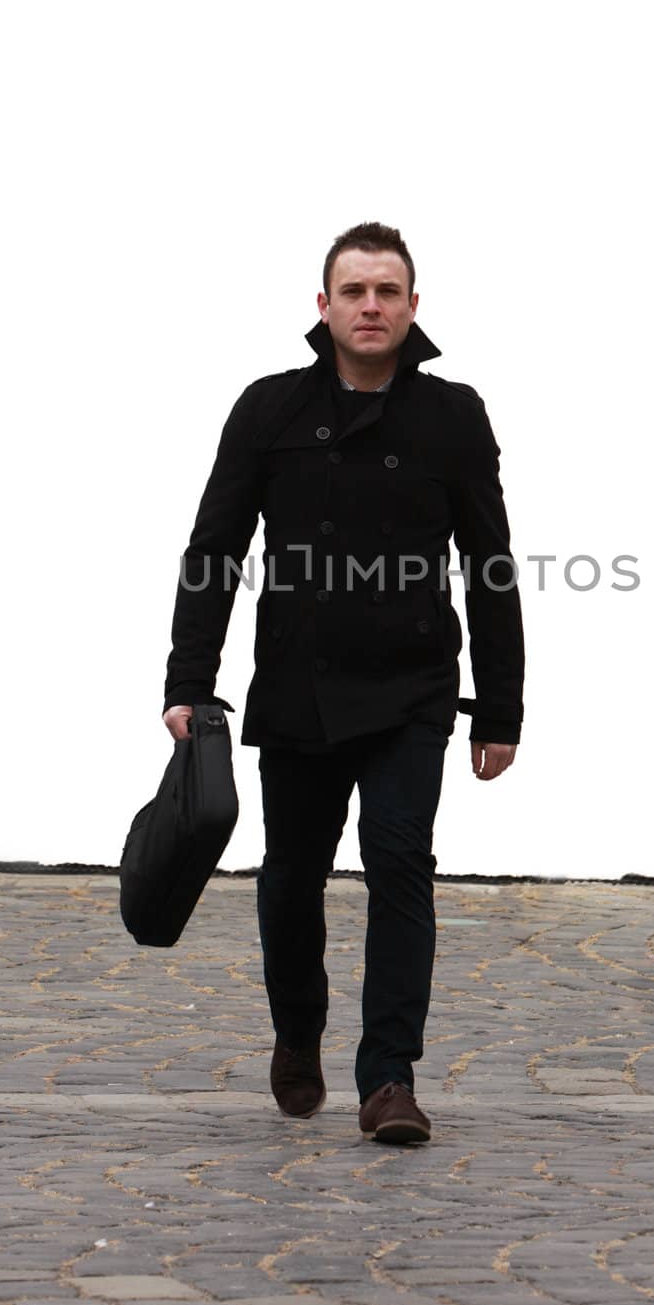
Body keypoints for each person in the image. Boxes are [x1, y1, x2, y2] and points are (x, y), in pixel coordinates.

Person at [162, 221, 524, 1145]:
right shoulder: (268, 409)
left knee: (401, 861)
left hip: (413, 689)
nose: (371, 307)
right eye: (354, 292)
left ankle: (389, 1079)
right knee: (289, 880)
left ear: (412, 308)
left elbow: (490, 565)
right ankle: (297, 1032)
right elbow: (214, 552)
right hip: (296, 686)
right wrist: (188, 681)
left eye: (388, 292)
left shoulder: (452, 416)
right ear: (322, 307)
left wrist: (502, 707)